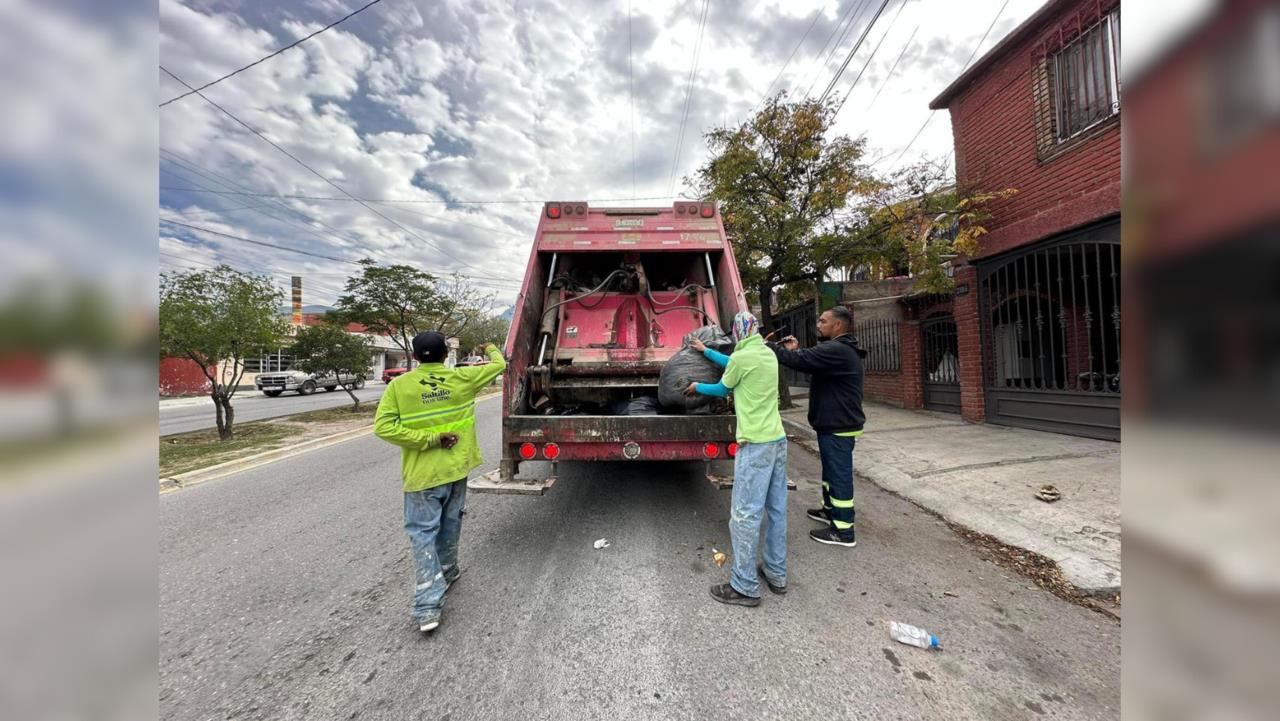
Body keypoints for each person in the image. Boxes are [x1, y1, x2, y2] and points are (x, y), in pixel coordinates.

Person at [374, 331, 506, 633]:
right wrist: (491, 347)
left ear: (416, 356)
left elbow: (383, 428)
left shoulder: (399, 386)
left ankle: (429, 603)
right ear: (447, 355)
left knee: (423, 535)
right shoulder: (462, 379)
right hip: (457, 469)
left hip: (422, 476)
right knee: (450, 524)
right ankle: (440, 581)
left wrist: (428, 439)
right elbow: (500, 365)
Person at [684, 312, 789, 606]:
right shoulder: (767, 355)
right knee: (777, 510)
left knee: (744, 515)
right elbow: (735, 365)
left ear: (737, 333)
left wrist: (697, 387)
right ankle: (776, 574)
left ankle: (744, 586)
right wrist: (707, 352)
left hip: (754, 444)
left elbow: (723, 387)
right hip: (777, 441)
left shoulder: (743, 359)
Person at [768, 306, 866, 548]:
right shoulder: (839, 350)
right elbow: (806, 360)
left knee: (839, 475)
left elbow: (798, 360)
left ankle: (843, 531)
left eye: (823, 321)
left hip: (838, 424)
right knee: (831, 472)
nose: (818, 325)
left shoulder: (836, 349)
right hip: (835, 422)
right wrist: (794, 351)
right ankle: (830, 510)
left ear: (838, 326)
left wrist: (768, 347)